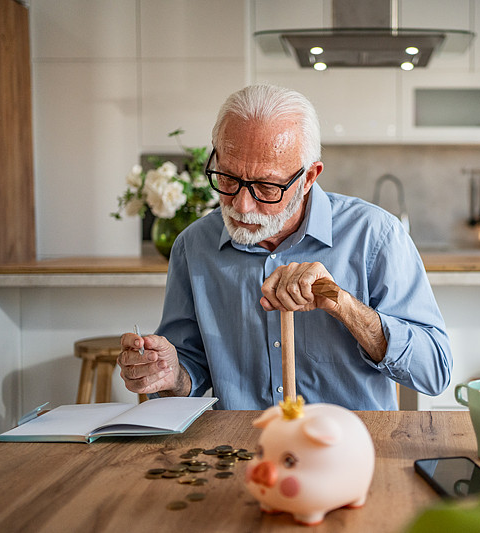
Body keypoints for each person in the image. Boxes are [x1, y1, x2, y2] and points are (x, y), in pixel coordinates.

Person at [118, 84, 452, 410]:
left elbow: (434, 372)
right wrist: (170, 372)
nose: (242, 205)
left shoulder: (375, 235)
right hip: (240, 452)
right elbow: (190, 369)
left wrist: (345, 306)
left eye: (265, 186)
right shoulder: (193, 247)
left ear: (309, 178)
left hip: (353, 449)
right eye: (228, 178)